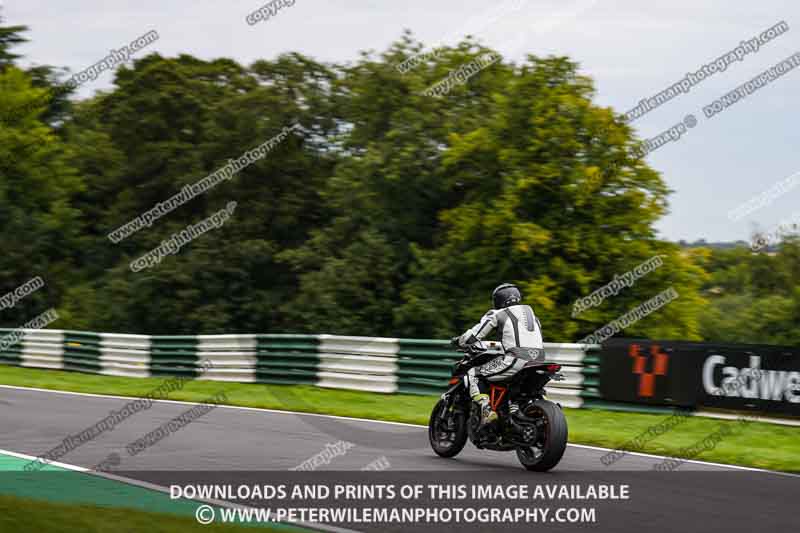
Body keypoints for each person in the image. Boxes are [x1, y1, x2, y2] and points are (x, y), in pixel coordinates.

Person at [454, 283, 544, 429]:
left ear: (498, 300)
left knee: (473, 374)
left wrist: (460, 341)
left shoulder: (498, 313)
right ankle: (516, 409)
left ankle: (486, 410)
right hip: (538, 360)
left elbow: (474, 336)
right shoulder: (533, 316)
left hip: (515, 360)